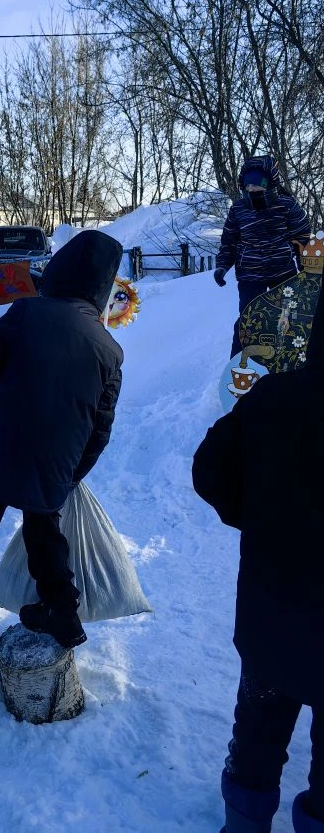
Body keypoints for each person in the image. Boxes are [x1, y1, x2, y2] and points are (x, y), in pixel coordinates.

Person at [0, 229, 124, 664]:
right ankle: (63, 613)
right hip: (55, 457)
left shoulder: (27, 311)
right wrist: (71, 475)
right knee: (44, 530)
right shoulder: (109, 349)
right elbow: (100, 428)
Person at [192, 284, 324, 833]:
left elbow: (209, 471)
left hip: (274, 609)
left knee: (258, 731)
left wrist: (261, 516)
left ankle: (243, 824)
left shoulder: (273, 397)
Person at [214, 154, 310, 357]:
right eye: (247, 186)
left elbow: (302, 238)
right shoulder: (238, 209)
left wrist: (306, 268)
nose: (251, 189)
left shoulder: (286, 205)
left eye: (256, 185)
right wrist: (222, 266)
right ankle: (238, 365)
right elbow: (229, 241)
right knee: (249, 320)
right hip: (250, 274)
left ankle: (287, 360)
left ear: (268, 184)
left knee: (287, 318)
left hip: (283, 272)